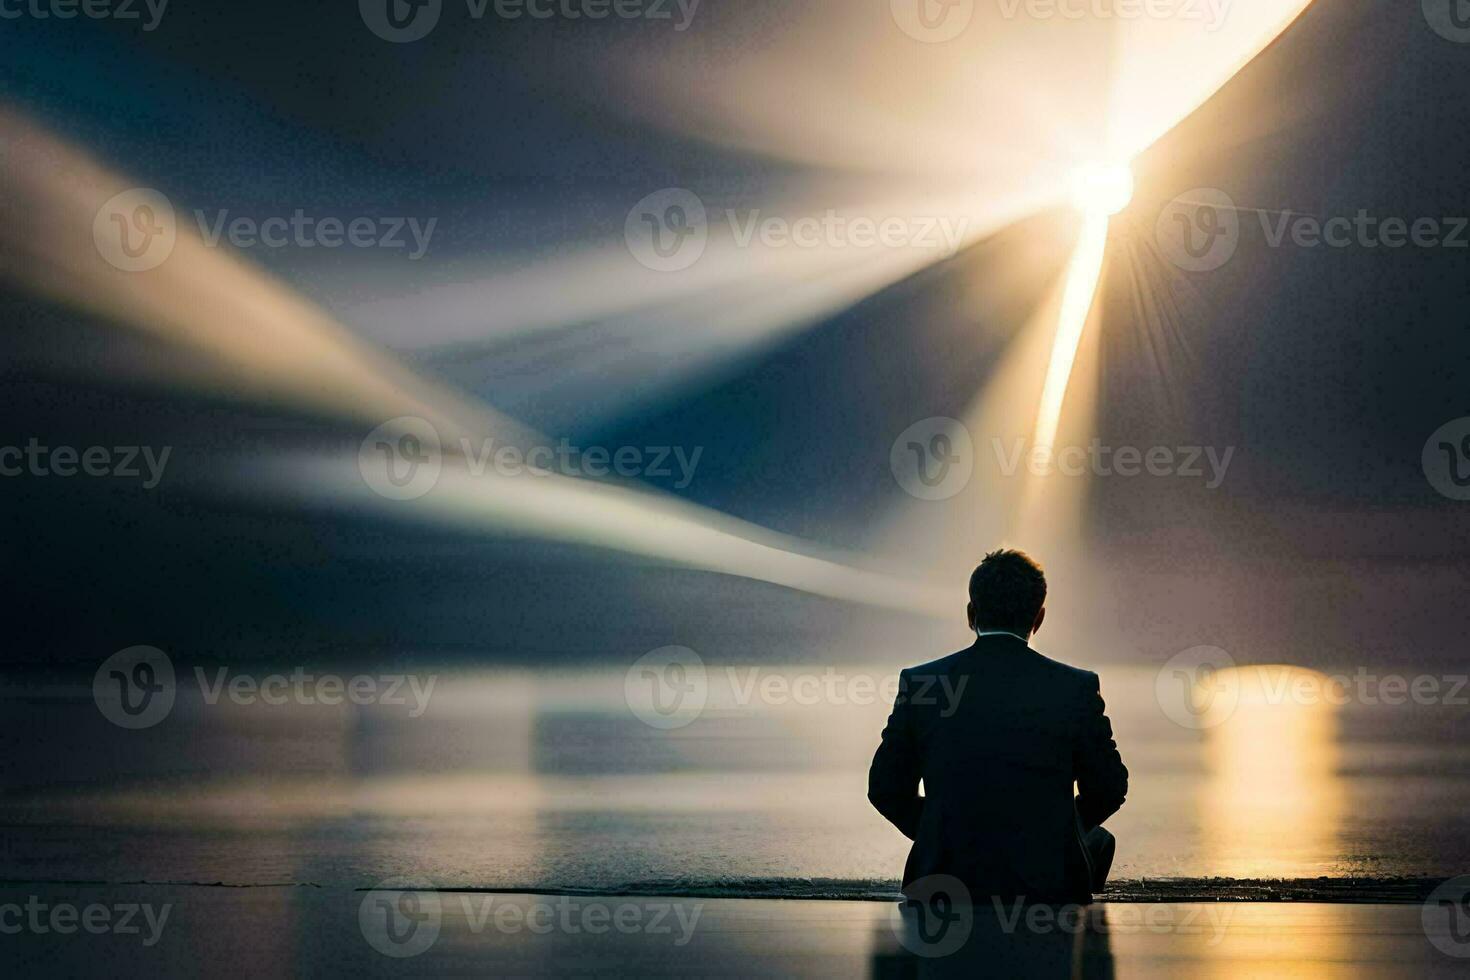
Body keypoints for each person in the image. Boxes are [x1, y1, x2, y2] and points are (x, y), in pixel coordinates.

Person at [868, 549, 1128, 905]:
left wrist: (941, 832)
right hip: (1048, 882)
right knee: (1098, 842)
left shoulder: (923, 683)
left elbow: (884, 789)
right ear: (1038, 618)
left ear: (971, 614)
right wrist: (1051, 830)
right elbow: (1109, 788)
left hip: (944, 876)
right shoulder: (1075, 687)